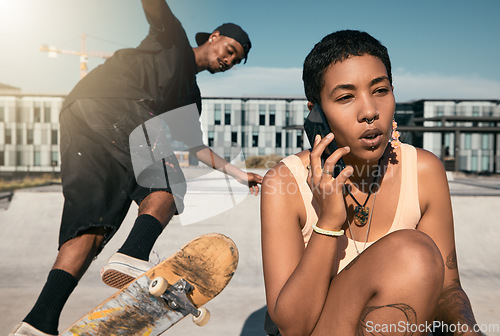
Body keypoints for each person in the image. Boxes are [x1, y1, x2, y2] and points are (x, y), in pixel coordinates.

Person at [10, 1, 262, 335]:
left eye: (234, 60)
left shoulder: (190, 95)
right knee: (169, 185)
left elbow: (197, 148)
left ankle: (38, 323)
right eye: (229, 50)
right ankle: (132, 253)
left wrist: (240, 175)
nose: (228, 60)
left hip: (80, 117)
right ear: (214, 37)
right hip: (119, 106)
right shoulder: (171, 38)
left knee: (89, 228)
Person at [261, 30, 482, 336]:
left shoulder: (424, 171)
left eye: (380, 90)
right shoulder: (284, 183)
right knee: (411, 253)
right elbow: (293, 326)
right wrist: (329, 220)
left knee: (413, 258)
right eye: (345, 97)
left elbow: (447, 288)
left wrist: (467, 331)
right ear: (316, 112)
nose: (369, 112)